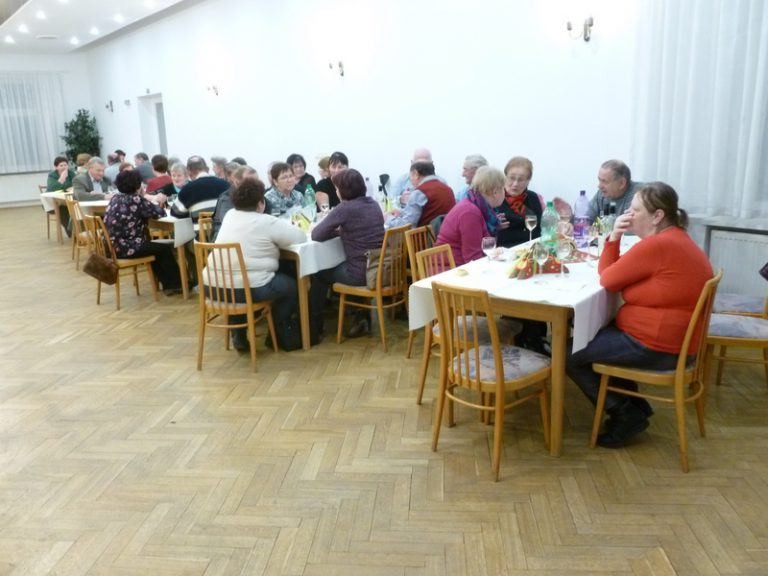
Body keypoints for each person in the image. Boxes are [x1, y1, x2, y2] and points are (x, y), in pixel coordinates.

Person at [566, 182, 714, 448]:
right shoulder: (676, 238)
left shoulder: (657, 245)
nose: (628, 215)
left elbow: (608, 278)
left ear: (657, 216)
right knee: (597, 335)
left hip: (657, 346)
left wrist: (614, 237)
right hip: (676, 341)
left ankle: (625, 414)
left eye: (635, 210)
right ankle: (634, 406)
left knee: (569, 353)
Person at [213, 177, 307, 351]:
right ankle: (277, 331)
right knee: (291, 286)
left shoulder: (230, 215)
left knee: (242, 281)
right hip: (244, 289)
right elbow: (300, 237)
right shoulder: (266, 221)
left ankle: (239, 333)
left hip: (214, 288)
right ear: (261, 203)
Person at [309, 168, 385, 338]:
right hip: (380, 267)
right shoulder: (372, 203)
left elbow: (317, 234)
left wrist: (336, 232)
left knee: (320, 273)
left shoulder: (345, 208)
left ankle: (313, 323)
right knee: (346, 263)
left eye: (337, 188)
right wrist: (341, 232)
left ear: (343, 190)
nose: (336, 191)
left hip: (361, 273)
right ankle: (360, 315)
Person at [103, 169, 183, 295]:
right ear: (137, 185)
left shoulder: (115, 198)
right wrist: (151, 198)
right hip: (128, 247)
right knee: (163, 248)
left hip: (112, 247)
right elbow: (159, 213)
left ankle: (169, 285)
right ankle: (176, 284)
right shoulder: (135, 199)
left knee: (155, 248)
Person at [435, 166, 505, 266]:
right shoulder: (470, 212)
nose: (504, 192)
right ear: (495, 192)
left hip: (458, 265)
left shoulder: (475, 204)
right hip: (450, 269)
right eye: (503, 189)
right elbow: (472, 257)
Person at [386, 161, 454, 229]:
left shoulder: (419, 193)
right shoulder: (448, 190)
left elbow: (407, 225)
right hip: (446, 233)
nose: (411, 181)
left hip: (427, 235)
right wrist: (402, 213)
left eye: (410, 176)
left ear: (416, 174)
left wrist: (388, 218)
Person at [495, 156, 542, 248]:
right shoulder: (494, 198)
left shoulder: (533, 197)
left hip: (534, 248)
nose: (515, 184)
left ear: (528, 181)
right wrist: (492, 226)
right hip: (505, 251)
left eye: (520, 180)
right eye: (511, 178)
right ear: (505, 177)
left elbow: (543, 227)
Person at [170, 155, 229, 221]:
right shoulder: (226, 184)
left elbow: (174, 212)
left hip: (200, 227)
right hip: (223, 226)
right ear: (207, 169)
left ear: (188, 171)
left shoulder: (188, 189)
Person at [212, 164, 259, 239]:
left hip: (249, 234)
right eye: (249, 182)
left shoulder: (260, 196)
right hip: (225, 238)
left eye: (256, 181)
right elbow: (229, 222)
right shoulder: (227, 197)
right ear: (237, 182)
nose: (255, 185)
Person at [46, 155, 76, 234]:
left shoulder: (71, 173)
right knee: (63, 209)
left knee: (76, 207)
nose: (63, 167)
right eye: (61, 165)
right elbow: (52, 188)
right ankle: (71, 232)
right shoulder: (52, 175)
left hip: (68, 200)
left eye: (65, 165)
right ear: (56, 167)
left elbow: (77, 183)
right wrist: (62, 178)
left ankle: (78, 230)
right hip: (53, 202)